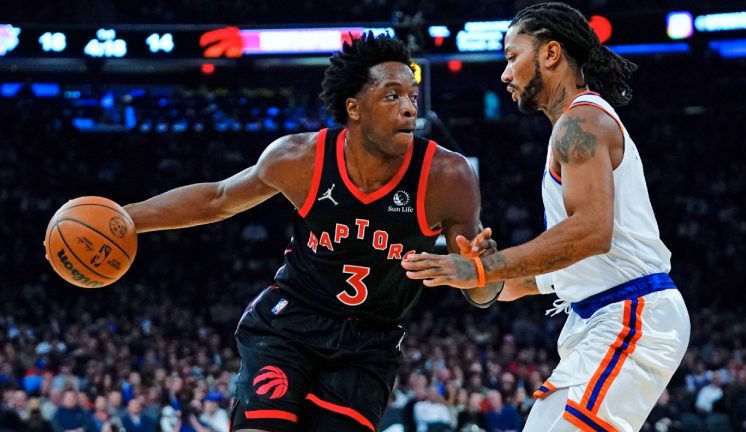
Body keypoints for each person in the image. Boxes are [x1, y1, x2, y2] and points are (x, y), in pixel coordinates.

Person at [122, 32, 500, 432]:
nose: (409, 108)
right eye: (392, 96)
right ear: (354, 108)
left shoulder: (448, 175)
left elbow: (480, 293)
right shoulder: (300, 158)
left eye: (411, 95)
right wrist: (126, 219)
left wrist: (483, 269)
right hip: (289, 325)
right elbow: (217, 199)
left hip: (369, 342)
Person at [402, 3, 690, 431]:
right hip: (599, 319)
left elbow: (592, 232)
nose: (504, 74)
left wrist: (484, 265)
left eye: (511, 56)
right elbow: (544, 273)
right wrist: (477, 278)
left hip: (631, 314)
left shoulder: (582, 121)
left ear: (550, 53)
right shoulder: (571, 129)